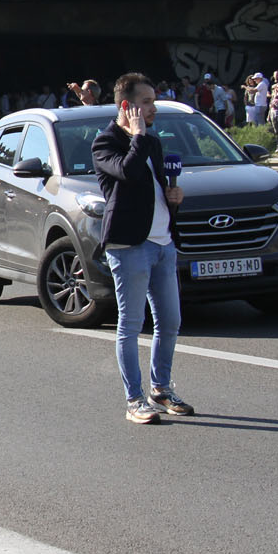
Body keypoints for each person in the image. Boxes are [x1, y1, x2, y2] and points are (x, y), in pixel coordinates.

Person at [92, 73, 191, 425]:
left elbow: (152, 188)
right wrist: (136, 138)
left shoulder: (152, 141)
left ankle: (160, 388)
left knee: (170, 321)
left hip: (164, 243)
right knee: (131, 324)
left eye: (154, 100)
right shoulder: (105, 143)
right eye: (147, 101)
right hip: (129, 245)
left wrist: (173, 198)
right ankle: (134, 400)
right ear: (127, 106)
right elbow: (129, 173)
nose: (154, 107)